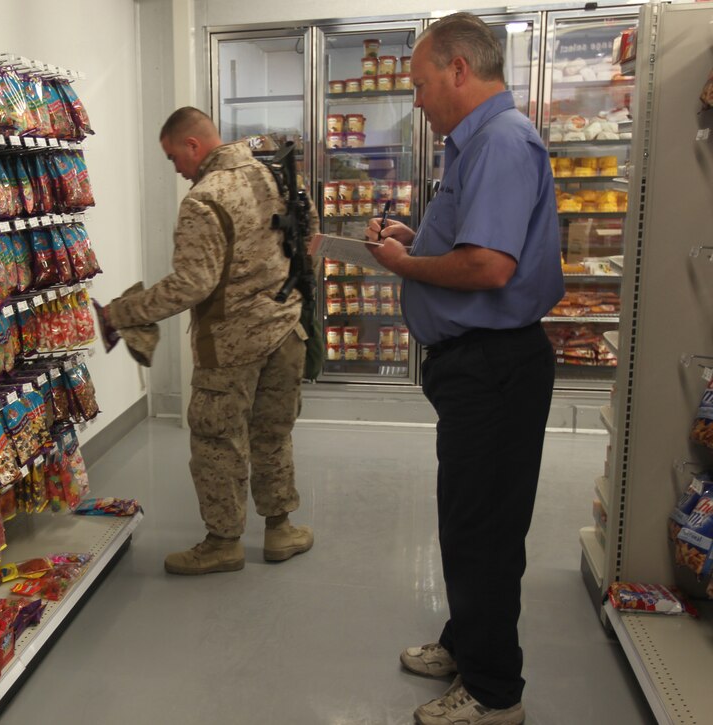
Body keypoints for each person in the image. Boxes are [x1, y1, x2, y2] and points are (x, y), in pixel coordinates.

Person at [364, 13, 563, 725]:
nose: (415, 98)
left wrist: (403, 264)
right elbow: (471, 244)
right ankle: (465, 640)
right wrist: (418, 241)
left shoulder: (502, 143)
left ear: (457, 69)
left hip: (494, 369)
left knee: (483, 526)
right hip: (476, 367)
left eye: (420, 84)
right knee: (467, 517)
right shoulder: (473, 144)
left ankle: (493, 691)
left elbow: (487, 265)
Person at [101, 107, 314, 575]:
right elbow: (307, 234)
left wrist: (121, 313)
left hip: (231, 345)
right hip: (286, 331)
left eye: (174, 156)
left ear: (193, 145)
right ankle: (280, 529)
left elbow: (190, 285)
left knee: (219, 443)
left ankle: (223, 543)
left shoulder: (204, 198)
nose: (176, 168)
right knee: (273, 434)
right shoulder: (276, 174)